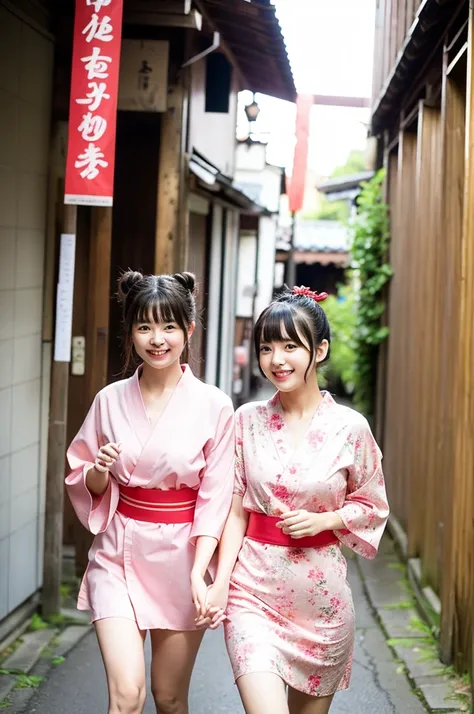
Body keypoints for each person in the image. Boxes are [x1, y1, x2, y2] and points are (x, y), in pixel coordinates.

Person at [201, 285, 389, 714]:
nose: (276, 359)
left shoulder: (351, 428)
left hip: (322, 604)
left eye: (290, 346)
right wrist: (220, 582)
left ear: (319, 350)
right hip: (253, 593)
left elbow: (372, 504)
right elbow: (234, 508)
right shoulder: (246, 419)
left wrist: (326, 521)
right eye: (266, 347)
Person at [66, 271, 234, 714]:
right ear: (132, 332)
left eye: (168, 327)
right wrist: (99, 472)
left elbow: (217, 498)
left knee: (169, 696)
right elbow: (85, 477)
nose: (156, 339)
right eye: (144, 327)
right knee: (126, 695)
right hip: (119, 552)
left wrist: (201, 573)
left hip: (183, 557)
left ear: (188, 330)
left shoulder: (214, 405)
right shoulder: (108, 399)